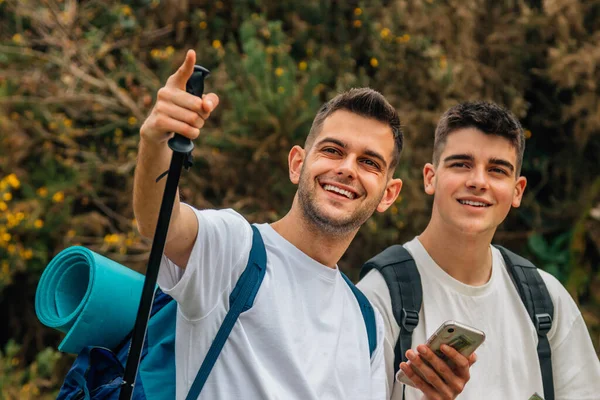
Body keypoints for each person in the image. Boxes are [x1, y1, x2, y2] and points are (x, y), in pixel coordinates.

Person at [133, 49, 406, 400]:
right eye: (333, 151)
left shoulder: (366, 321)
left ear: (389, 194)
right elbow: (159, 224)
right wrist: (156, 140)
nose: (348, 169)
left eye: (369, 162)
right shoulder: (236, 250)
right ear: (297, 164)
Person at [358, 101, 600, 400]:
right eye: (461, 164)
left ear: (517, 191)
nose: (478, 182)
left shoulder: (546, 302)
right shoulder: (379, 297)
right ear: (430, 177)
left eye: (497, 170)